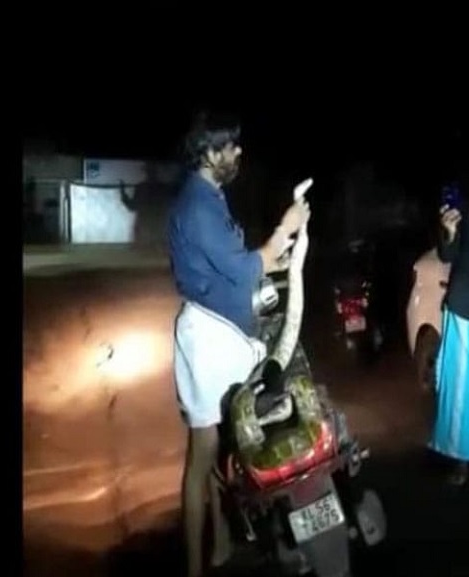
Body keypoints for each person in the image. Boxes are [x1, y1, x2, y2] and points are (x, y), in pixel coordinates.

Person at [167, 110, 311, 577]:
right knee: (203, 455)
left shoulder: (210, 196)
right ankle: (195, 565)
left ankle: (223, 543)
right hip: (210, 340)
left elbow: (235, 264)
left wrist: (274, 258)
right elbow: (246, 266)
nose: (239, 151)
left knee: (222, 443)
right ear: (209, 153)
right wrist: (285, 228)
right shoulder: (198, 205)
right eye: (230, 145)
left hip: (223, 333)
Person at [431, 157, 469, 486]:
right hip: (468, 311)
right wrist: (448, 232)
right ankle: (459, 460)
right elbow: (447, 254)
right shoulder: (468, 205)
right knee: (462, 393)